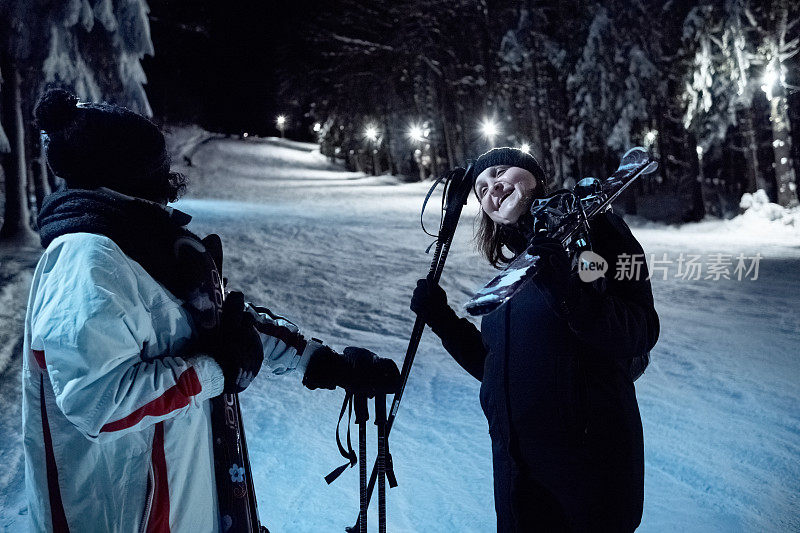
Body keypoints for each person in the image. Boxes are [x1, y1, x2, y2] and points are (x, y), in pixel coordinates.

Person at [22, 88, 399, 532]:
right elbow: (98, 402)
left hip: (182, 502)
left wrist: (322, 362)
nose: (169, 178)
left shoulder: (145, 243)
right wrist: (217, 368)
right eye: (158, 167)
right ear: (130, 173)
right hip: (120, 512)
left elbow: (220, 323)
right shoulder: (88, 259)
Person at [411, 147, 659, 532]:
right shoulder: (513, 276)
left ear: (535, 177)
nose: (491, 188)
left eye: (499, 172)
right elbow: (496, 369)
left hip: (588, 474)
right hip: (518, 476)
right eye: (481, 189)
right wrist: (442, 320)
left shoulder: (598, 233)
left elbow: (638, 331)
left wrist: (569, 288)